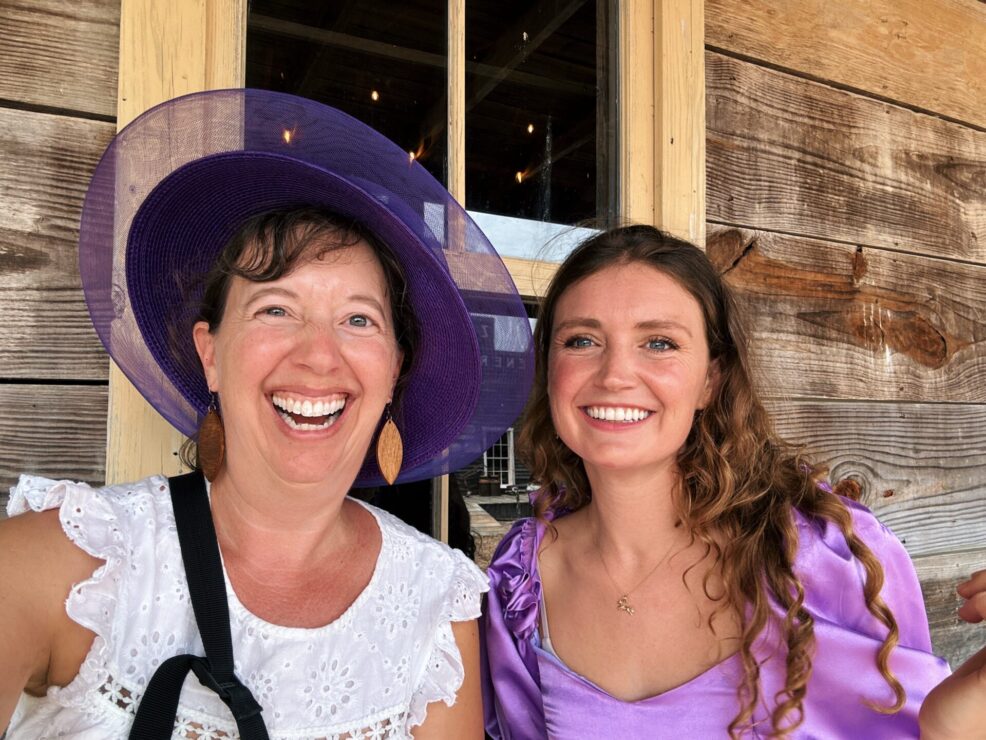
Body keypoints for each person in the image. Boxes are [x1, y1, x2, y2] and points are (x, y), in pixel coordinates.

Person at [0, 88, 532, 738]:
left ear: (393, 372)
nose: (318, 357)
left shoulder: (435, 608)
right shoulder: (70, 561)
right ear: (211, 354)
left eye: (358, 319)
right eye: (275, 309)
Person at [481, 224, 983, 738]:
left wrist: (954, 719)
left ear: (710, 380)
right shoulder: (520, 584)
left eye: (659, 342)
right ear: (551, 369)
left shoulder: (820, 552)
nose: (615, 374)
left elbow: (921, 728)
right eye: (581, 340)